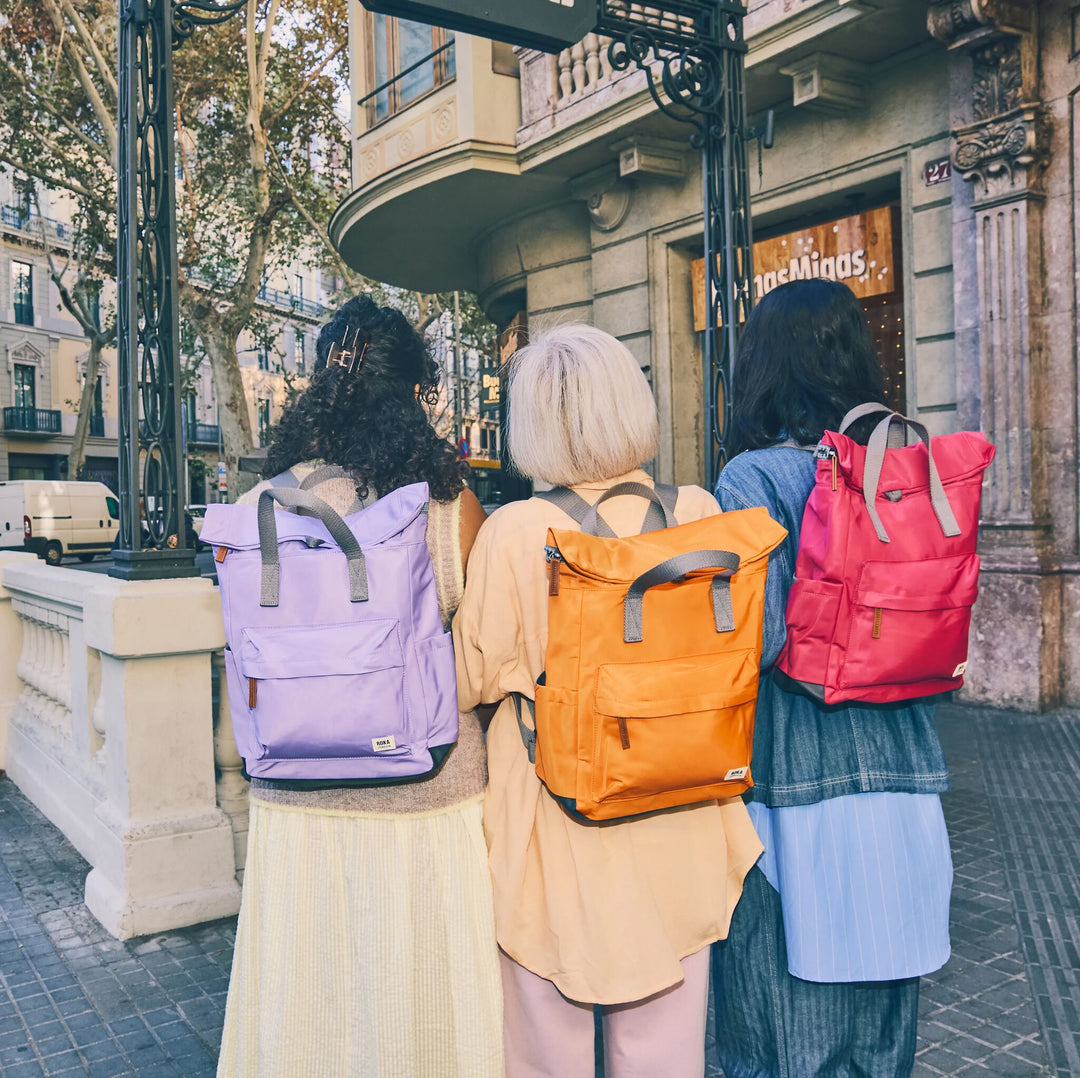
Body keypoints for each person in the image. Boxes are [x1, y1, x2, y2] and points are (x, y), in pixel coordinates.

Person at [452, 323, 763, 1078]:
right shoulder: (696, 507)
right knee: (665, 1042)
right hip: (681, 796)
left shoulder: (516, 530)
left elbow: (473, 678)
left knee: (542, 1039)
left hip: (557, 813)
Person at [217, 295, 503, 1078]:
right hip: (427, 796)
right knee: (427, 1014)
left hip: (295, 799)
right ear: (414, 395)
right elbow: (475, 665)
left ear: (318, 390)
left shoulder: (257, 512)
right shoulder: (449, 511)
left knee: (312, 1011)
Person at [707, 279, 953, 1078]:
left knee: (781, 1030)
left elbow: (763, 635)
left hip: (795, 775)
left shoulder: (752, 478)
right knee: (882, 1032)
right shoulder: (908, 468)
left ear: (762, 365)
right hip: (906, 772)